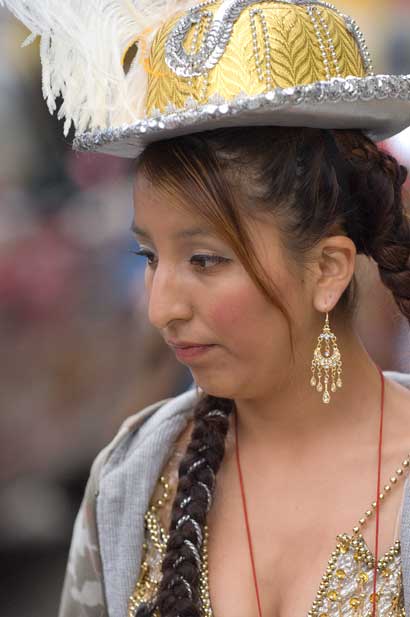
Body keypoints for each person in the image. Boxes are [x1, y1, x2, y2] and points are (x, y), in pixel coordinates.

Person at [4, 1, 410, 616]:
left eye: (205, 260)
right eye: (148, 257)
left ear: (328, 269)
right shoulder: (131, 478)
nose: (160, 308)